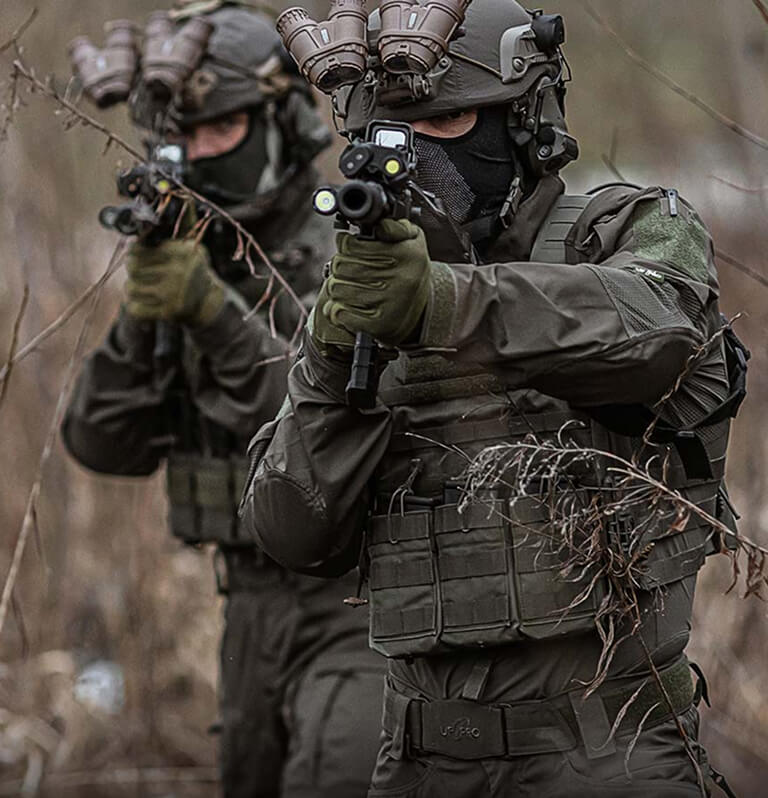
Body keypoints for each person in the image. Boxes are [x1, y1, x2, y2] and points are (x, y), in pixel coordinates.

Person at [241, 1, 744, 795]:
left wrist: (445, 304)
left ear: (525, 119)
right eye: (393, 134)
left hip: (606, 750)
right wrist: (333, 362)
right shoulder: (363, 300)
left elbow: (660, 332)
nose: (417, 155)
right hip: (418, 759)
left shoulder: (623, 229)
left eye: (450, 122)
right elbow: (291, 533)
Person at [62, 3, 384, 796]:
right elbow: (100, 442)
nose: (203, 154)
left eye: (224, 129)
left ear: (282, 125)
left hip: (359, 598)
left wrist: (212, 313)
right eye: (186, 135)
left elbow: (327, 432)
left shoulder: (357, 243)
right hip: (249, 603)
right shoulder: (188, 257)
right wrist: (146, 319)